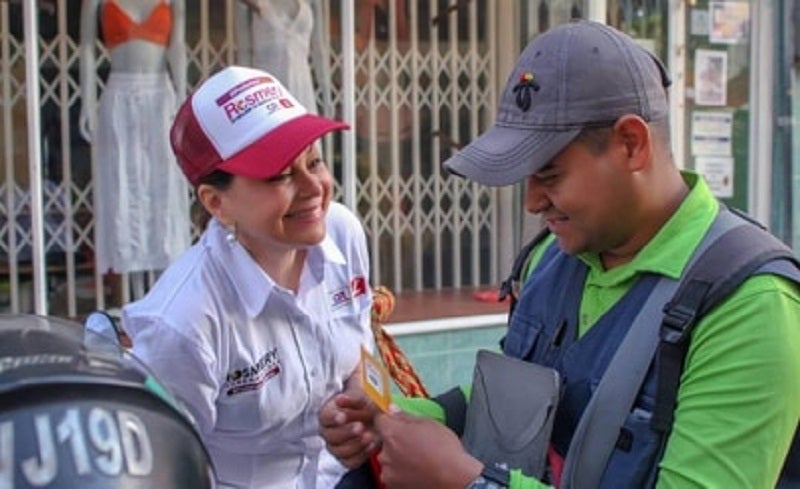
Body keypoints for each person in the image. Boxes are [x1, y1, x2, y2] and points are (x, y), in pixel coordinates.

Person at [318, 19, 800, 488]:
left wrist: (465, 481)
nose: (531, 203)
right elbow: (515, 402)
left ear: (631, 145)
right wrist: (394, 419)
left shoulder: (750, 305)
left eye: (549, 176)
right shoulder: (555, 256)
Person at [121, 65, 375, 488]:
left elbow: (363, 347)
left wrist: (358, 404)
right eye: (280, 174)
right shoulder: (183, 322)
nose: (314, 187)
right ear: (217, 202)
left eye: (314, 161)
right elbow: (160, 469)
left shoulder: (342, 233)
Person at [79, 0, 191, 282]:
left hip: (161, 96)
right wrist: (86, 103)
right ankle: (131, 289)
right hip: (119, 95)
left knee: (162, 183)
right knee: (123, 185)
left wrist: (182, 97)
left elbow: (177, 47)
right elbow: (86, 48)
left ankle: (165, 284)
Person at [234, 0, 332, 116]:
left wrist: (326, 94)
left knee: (303, 129)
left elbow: (318, 50)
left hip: (303, 87)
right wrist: (245, 95)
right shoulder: (247, 3)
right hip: (268, 90)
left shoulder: (312, 2)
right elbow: (244, 52)